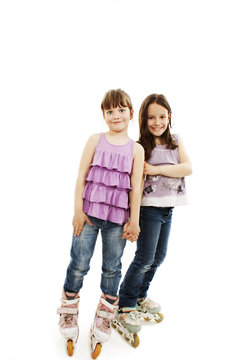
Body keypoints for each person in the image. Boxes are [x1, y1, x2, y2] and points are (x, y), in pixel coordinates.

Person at [56, 89, 144, 358]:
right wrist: (78, 211)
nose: (116, 115)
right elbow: (82, 175)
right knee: (79, 263)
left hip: (118, 221)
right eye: (110, 111)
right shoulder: (95, 139)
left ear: (130, 113)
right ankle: (69, 309)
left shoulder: (136, 149)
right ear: (104, 115)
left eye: (121, 110)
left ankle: (105, 315)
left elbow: (135, 189)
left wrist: (135, 221)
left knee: (112, 269)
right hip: (90, 215)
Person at [113, 93, 192, 342]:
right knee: (145, 257)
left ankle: (139, 295)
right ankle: (125, 303)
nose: (157, 122)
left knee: (159, 257)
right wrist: (131, 218)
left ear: (170, 116)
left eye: (162, 116)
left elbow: (187, 168)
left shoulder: (176, 142)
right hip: (149, 208)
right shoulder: (141, 147)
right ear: (143, 120)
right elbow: (134, 183)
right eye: (151, 117)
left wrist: (157, 169)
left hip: (168, 208)